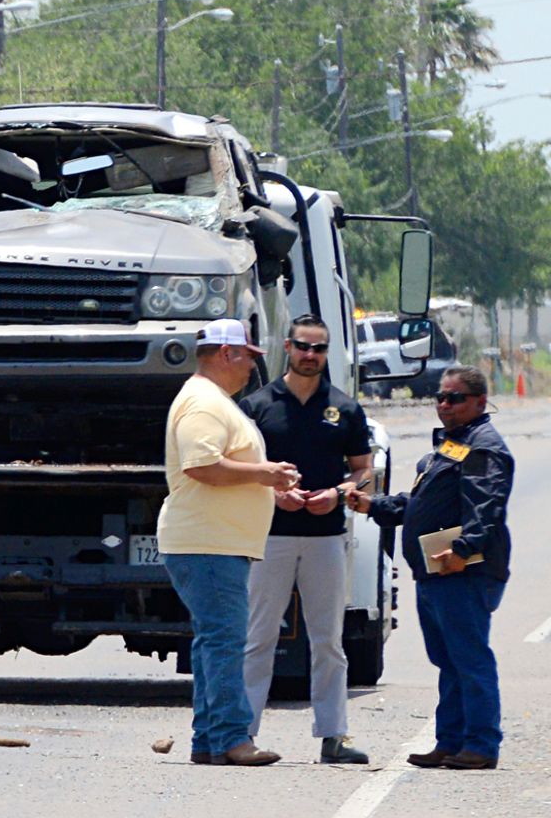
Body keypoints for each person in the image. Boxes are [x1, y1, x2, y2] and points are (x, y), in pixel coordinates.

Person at [348, 365, 513, 770]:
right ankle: (451, 741)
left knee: (469, 659)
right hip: (436, 571)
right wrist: (375, 506)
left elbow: (486, 506)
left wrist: (462, 550)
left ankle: (480, 744)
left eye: (454, 398)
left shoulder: (484, 447)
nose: (444, 405)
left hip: (463, 570)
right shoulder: (452, 445)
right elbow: (421, 502)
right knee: (449, 660)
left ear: (478, 401)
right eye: (441, 397)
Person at [158, 319, 302, 767]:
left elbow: (217, 467)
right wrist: (265, 475)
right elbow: (202, 465)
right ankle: (232, 737)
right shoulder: (204, 403)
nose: (252, 369)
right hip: (209, 542)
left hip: (212, 540)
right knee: (224, 640)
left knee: (213, 640)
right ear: (227, 354)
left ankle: (211, 739)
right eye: (249, 358)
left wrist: (269, 489)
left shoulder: (212, 401)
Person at [239, 314, 376, 764]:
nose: (310, 356)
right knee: (258, 638)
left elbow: (364, 469)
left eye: (319, 349)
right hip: (271, 536)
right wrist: (274, 493)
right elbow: (238, 470)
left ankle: (333, 736)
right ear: (288, 346)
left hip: (324, 537)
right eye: (303, 346)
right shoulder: (258, 405)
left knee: (328, 641)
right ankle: (242, 733)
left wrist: (338, 493)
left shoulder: (345, 408)